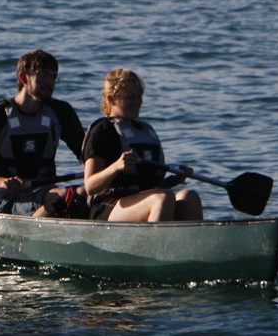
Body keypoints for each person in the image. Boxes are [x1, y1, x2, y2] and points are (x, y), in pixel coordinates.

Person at [0, 49, 86, 217]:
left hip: (45, 192)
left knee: (81, 195)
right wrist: (1, 182)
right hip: (4, 199)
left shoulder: (61, 112)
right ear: (23, 78)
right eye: (43, 75)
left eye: (53, 76)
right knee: (63, 199)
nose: (49, 82)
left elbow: (86, 156)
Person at [81, 68, 203, 222]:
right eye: (130, 97)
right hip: (108, 206)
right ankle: (154, 245)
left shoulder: (145, 130)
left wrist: (175, 180)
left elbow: (151, 185)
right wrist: (116, 167)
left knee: (189, 197)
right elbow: (90, 186)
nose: (138, 101)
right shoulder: (102, 131)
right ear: (111, 99)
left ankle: (193, 245)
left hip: (144, 200)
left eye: (139, 95)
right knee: (162, 198)